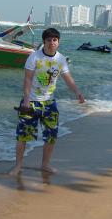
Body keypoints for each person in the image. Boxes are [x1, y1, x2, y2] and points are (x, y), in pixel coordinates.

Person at [9, 27, 84, 176]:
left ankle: (45, 164)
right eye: (48, 40)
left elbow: (68, 78)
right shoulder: (34, 57)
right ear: (44, 42)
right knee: (23, 135)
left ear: (58, 42)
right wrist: (26, 100)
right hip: (31, 102)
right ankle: (18, 166)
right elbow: (28, 79)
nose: (51, 43)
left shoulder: (60, 59)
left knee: (51, 135)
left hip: (49, 103)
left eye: (54, 40)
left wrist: (77, 92)